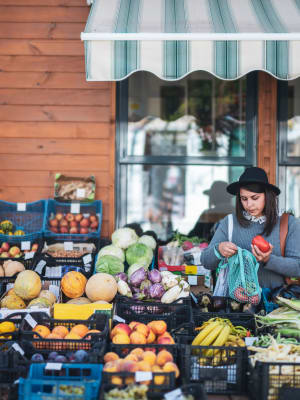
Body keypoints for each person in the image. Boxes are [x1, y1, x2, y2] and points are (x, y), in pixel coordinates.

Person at [200, 167, 300, 289]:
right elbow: (205, 261)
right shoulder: (230, 222)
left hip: (277, 302)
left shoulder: (288, 223)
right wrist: (219, 250)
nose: (249, 204)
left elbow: (297, 268)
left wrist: (268, 259)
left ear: (267, 196)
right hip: (237, 304)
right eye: (244, 199)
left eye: (255, 198)